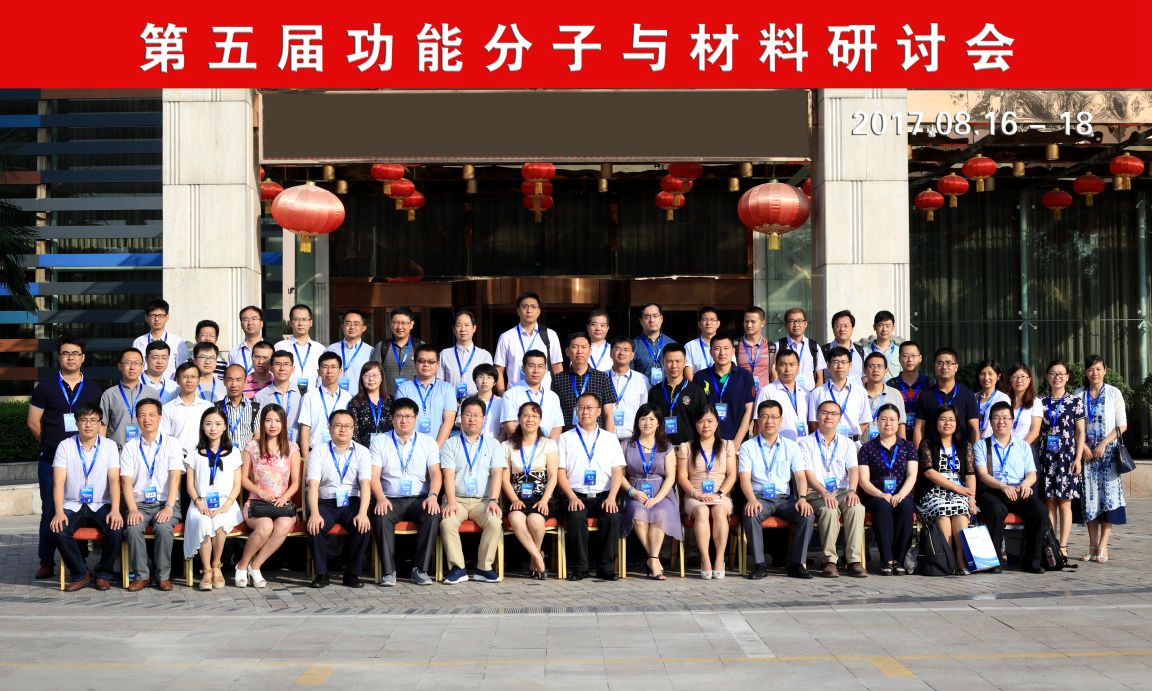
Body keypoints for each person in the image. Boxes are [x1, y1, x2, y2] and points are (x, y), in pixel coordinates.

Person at [28, 338, 105, 579]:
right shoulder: (45, 387)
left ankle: (78, 560)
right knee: (50, 510)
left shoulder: (93, 389)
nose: (70, 357)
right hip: (51, 460)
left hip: (84, 463)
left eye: (75, 353)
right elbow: (33, 421)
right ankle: (46, 561)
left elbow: (99, 423)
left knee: (80, 507)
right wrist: (53, 444)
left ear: (83, 357)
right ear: (59, 357)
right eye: (65, 353)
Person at [738, 400, 815, 580]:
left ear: (781, 420)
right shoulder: (748, 446)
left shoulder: (791, 446)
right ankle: (759, 565)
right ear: (757, 420)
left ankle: (796, 564)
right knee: (751, 514)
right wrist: (751, 500)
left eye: (774, 417)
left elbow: (800, 476)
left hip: (784, 499)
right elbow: (744, 478)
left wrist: (802, 498)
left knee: (807, 515)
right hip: (759, 498)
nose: (769, 421)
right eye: (764, 416)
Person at [369, 398, 443, 586]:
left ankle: (420, 570)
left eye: (408, 416)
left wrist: (433, 496)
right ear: (392, 418)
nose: (403, 420)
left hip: (420, 499)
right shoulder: (380, 441)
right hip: (390, 499)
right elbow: (373, 475)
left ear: (415, 418)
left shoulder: (428, 442)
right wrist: (380, 498)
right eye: (399, 416)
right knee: (381, 515)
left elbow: (435, 473)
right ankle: (389, 571)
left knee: (432, 513)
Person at [50, 403, 123, 591]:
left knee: (116, 529)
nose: (88, 424)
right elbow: (58, 482)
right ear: (77, 423)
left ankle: (103, 574)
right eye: (84, 420)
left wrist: (115, 510)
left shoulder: (109, 446)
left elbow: (114, 481)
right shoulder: (65, 446)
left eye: (93, 420)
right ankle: (80, 573)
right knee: (58, 528)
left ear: (100, 423)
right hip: (73, 503)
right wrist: (59, 512)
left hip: (100, 503)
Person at [557, 393, 626, 581]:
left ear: (598, 411)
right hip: (575, 495)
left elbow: (617, 471)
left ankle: (606, 567)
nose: (584, 412)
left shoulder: (610, 438)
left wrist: (612, 497)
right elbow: (560, 472)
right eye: (580, 408)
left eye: (589, 408)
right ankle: (580, 567)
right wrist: (572, 497)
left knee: (612, 517)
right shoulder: (565, 438)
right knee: (576, 516)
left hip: (604, 495)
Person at [974, 402, 1048, 574]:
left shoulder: (1023, 446)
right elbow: (983, 475)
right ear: (990, 421)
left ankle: (1032, 562)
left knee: (1040, 510)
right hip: (993, 489)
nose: (1001, 422)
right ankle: (993, 562)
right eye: (996, 418)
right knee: (996, 510)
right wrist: (1002, 486)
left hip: (1018, 490)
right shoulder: (981, 445)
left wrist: (1025, 485)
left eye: (1006, 418)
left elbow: (1032, 473)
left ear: (1012, 422)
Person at [120, 398, 184, 591]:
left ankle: (163, 576)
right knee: (132, 528)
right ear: (137, 419)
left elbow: (175, 476)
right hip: (139, 504)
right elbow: (126, 481)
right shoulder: (130, 446)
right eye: (142, 415)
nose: (146, 419)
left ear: (159, 417)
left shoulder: (172, 443)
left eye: (151, 415)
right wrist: (132, 509)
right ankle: (142, 576)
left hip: (166, 502)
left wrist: (169, 507)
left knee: (163, 528)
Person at [305, 409, 374, 588]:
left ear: (353, 429)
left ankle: (352, 574)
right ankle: (321, 574)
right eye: (338, 425)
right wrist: (314, 513)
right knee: (315, 526)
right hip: (326, 502)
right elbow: (313, 485)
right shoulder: (318, 451)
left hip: (352, 501)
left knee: (363, 527)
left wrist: (363, 513)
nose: (342, 429)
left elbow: (366, 484)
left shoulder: (363, 452)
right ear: (329, 428)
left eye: (347, 426)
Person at [235, 404, 301, 588]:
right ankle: (242, 565)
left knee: (284, 524)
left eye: (277, 421)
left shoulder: (292, 447)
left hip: (281, 503)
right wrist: (260, 492)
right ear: (262, 422)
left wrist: (285, 497)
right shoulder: (252, 446)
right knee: (265, 526)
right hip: (257, 503)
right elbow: (243, 478)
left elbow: (296, 482)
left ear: (283, 423)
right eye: (268, 420)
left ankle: (255, 566)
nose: (273, 425)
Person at [439, 397, 504, 584]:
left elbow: (497, 474)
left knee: (494, 522)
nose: (472, 419)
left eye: (476, 415)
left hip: (483, 501)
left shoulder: (493, 444)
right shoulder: (450, 444)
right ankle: (458, 568)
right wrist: (451, 502)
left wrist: (494, 500)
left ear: (483, 419)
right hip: (457, 499)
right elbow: (448, 476)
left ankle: (483, 568)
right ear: (461, 417)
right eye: (468, 414)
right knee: (447, 522)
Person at [799, 400, 866, 578]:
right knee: (829, 510)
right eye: (824, 412)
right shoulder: (806, 443)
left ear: (839, 418)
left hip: (843, 491)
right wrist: (824, 492)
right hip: (816, 492)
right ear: (817, 416)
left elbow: (853, 470)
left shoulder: (847, 443)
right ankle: (829, 561)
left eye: (834, 413)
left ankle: (853, 560)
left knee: (856, 508)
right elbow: (808, 474)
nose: (829, 417)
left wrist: (852, 491)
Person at [183, 408, 244, 591]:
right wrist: (199, 503)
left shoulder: (234, 452)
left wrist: (226, 506)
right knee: (202, 522)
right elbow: (190, 485)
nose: (213, 428)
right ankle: (207, 570)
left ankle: (216, 565)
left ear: (225, 427)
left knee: (219, 522)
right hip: (200, 503)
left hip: (226, 503)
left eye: (218, 424)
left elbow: (237, 485)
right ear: (202, 426)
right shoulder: (194, 453)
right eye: (208, 424)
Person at [1075, 354, 1127, 563]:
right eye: (1090, 369)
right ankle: (1092, 546)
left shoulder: (1114, 393)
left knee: (1108, 500)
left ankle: (1103, 547)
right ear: (1086, 372)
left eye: (1098, 369)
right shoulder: (1079, 394)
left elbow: (1122, 425)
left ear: (1105, 370)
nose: (1094, 373)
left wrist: (1103, 443)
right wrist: (1083, 447)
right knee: (1090, 501)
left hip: (1108, 456)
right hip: (1086, 456)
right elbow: (1074, 425)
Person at [620, 404, 681, 580]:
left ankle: (651, 560)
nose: (647, 423)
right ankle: (654, 559)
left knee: (660, 513)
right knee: (638, 513)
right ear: (637, 422)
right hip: (635, 492)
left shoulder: (667, 447)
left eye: (652, 419)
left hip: (662, 493)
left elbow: (670, 477)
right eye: (643, 419)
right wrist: (632, 492)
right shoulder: (626, 445)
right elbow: (619, 475)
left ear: (659, 423)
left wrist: (657, 498)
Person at [856, 404, 918, 575]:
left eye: (892, 419)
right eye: (883, 419)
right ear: (877, 422)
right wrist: (882, 494)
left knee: (906, 506)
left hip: (902, 493)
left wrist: (901, 494)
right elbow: (864, 480)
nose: (888, 423)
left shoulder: (908, 446)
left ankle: (900, 559)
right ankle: (886, 559)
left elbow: (912, 475)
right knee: (882, 506)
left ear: (898, 422)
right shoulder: (867, 448)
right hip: (875, 494)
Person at [501, 401, 560, 579]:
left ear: (540, 420)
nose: (530, 419)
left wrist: (544, 500)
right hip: (517, 497)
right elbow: (504, 478)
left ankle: (535, 558)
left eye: (534, 416)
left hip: (542, 497)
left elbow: (553, 476)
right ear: (519, 419)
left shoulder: (548, 444)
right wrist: (514, 499)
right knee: (515, 518)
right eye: (526, 415)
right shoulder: (507, 445)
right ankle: (538, 557)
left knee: (535, 521)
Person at [915, 405, 977, 573]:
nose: (947, 423)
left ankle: (961, 558)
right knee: (942, 509)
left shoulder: (965, 445)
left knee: (961, 509)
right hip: (932, 492)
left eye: (951, 419)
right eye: (943, 419)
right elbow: (929, 472)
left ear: (957, 423)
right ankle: (946, 559)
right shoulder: (927, 443)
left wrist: (971, 499)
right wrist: (957, 488)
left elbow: (970, 474)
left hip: (959, 493)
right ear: (936, 422)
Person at [677, 405, 736, 579]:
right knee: (702, 511)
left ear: (717, 423)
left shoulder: (727, 445)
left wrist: (719, 493)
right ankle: (705, 559)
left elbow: (732, 475)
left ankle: (719, 559)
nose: (705, 425)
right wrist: (696, 494)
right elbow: (682, 477)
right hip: (695, 495)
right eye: (701, 421)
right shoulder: (686, 447)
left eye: (710, 421)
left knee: (719, 510)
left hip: (720, 494)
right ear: (695, 424)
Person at [1038, 359, 1086, 561]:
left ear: (1067, 377)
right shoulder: (1040, 402)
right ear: (1047, 376)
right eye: (1053, 373)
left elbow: (1080, 432)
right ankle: (1051, 543)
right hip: (1046, 456)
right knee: (1049, 502)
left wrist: (1078, 459)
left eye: (1061, 373)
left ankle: (1064, 546)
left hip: (1067, 456)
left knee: (1065, 503)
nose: (1057, 377)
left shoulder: (1075, 401)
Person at [494, 291, 563, 394]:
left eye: (533, 307)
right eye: (525, 306)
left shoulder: (550, 335)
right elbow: (499, 369)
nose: (529, 310)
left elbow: (557, 367)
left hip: (543, 395)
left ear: (539, 311)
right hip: (515, 395)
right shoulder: (506, 337)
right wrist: (503, 395)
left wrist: (558, 395)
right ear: (518, 310)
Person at [692, 334, 755, 443]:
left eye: (726, 348)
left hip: (736, 441)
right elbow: (696, 411)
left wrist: (736, 442)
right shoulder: (700, 377)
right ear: (711, 352)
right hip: (707, 442)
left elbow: (749, 409)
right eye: (717, 349)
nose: (722, 353)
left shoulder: (745, 376)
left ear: (733, 351)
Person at [912, 347, 980, 447]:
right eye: (940, 363)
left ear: (956, 367)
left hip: (960, 452)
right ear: (934, 366)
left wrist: (974, 454)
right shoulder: (926, 395)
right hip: (931, 452)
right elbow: (919, 428)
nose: (944, 367)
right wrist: (919, 454)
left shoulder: (968, 395)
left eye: (948, 363)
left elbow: (974, 429)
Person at [552, 332, 617, 433]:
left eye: (583, 347)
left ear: (590, 351)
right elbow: (554, 414)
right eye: (575, 347)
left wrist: (609, 438)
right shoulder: (558, 379)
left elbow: (608, 414)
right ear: (567, 351)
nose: (579, 351)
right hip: (568, 436)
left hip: (596, 436)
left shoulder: (602, 378)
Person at [396, 345, 458, 447]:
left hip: (438, 447)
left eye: (431, 362)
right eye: (421, 361)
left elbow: (449, 421)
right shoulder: (404, 388)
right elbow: (401, 419)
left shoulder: (447, 388)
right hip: (409, 447)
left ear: (437, 364)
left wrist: (435, 449)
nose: (426, 365)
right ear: (415, 363)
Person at [647, 343, 706, 446]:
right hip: (661, 448)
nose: (674, 366)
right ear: (663, 363)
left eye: (678, 361)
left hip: (689, 447)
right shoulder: (655, 392)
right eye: (669, 361)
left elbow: (703, 421)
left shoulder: (696, 391)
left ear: (684, 363)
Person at [806, 346, 870, 440]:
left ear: (850, 365)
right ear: (828, 365)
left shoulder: (860, 391)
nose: (840, 366)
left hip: (853, 442)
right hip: (826, 442)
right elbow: (813, 422)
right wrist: (826, 439)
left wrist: (851, 438)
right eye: (835, 362)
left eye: (844, 362)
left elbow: (864, 420)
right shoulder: (816, 393)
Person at [99, 348, 158, 448]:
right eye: (127, 363)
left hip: (145, 450)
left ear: (142, 366)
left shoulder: (151, 393)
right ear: (119, 366)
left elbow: (158, 423)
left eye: (136, 363)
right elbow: (102, 425)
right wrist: (102, 450)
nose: (132, 367)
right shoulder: (109, 394)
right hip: (118, 450)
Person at [298, 352, 352, 458]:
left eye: (333, 367)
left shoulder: (348, 398)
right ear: (318, 371)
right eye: (325, 367)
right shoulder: (309, 397)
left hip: (341, 454)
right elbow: (304, 430)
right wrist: (306, 459)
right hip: (314, 454)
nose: (329, 371)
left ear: (340, 371)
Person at [501, 350, 564, 440]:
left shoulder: (553, 397)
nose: (536, 371)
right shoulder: (510, 394)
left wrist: (545, 445)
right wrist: (528, 443)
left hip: (546, 446)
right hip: (519, 445)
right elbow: (509, 425)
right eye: (531, 366)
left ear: (545, 370)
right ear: (523, 369)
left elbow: (557, 427)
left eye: (540, 366)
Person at [753, 349, 809, 442]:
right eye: (783, 365)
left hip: (803, 445)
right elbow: (758, 425)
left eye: (792, 364)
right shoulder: (766, 392)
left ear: (798, 367)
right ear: (776, 367)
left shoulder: (806, 393)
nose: (787, 369)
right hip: (778, 446)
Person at [161, 362, 215, 456]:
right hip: (177, 457)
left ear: (198, 380)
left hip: (203, 457)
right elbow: (165, 438)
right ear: (177, 380)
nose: (189, 380)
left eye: (193, 377)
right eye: (185, 377)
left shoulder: (208, 407)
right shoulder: (167, 408)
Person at [438, 310, 493, 399]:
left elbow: (489, 383)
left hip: (476, 402)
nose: (463, 329)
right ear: (453, 329)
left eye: (467, 325)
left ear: (474, 328)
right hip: (451, 402)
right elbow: (439, 382)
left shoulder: (484, 355)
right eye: (459, 325)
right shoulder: (444, 354)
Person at [370, 307, 423, 398]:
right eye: (395, 322)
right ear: (391, 324)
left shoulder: (420, 347)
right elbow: (372, 374)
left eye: (403, 323)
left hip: (414, 398)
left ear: (411, 324)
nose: (399, 327)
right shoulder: (382, 346)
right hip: (387, 399)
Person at [253, 350, 303, 443]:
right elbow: (257, 426)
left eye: (286, 364)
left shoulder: (302, 394)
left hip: (296, 446)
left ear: (293, 369)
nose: (282, 368)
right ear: (271, 368)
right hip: (269, 447)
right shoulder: (260, 397)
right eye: (278, 364)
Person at [132, 299, 188, 380]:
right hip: (144, 386)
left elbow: (184, 369)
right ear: (146, 318)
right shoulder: (138, 342)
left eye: (161, 315)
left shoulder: (177, 342)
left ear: (167, 317)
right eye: (153, 315)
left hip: (169, 386)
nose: (157, 319)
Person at [274, 304, 324, 392]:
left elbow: (323, 376)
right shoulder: (280, 346)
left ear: (310, 322)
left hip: (313, 396)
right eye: (296, 319)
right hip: (286, 395)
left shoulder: (320, 349)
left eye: (304, 319)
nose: (300, 323)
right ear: (290, 323)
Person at [608, 337, 650, 442]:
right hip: (606, 438)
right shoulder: (601, 377)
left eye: (626, 350)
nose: (621, 353)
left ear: (632, 355)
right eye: (617, 349)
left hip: (632, 439)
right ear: (611, 353)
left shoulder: (641, 380)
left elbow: (644, 410)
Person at [774, 307, 825, 391]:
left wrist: (816, 394)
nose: (796, 324)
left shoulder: (814, 346)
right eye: (792, 321)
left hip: (809, 393)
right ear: (786, 325)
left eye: (799, 321)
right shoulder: (778, 346)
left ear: (805, 324)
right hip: (785, 393)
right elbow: (774, 373)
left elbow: (819, 376)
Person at [862, 352, 908, 441]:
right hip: (861, 446)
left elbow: (900, 426)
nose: (875, 370)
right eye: (871, 366)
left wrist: (902, 447)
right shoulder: (857, 394)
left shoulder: (895, 394)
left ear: (886, 370)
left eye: (879, 366)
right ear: (864, 370)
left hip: (888, 447)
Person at [347, 361, 393, 447]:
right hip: (364, 451)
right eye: (367, 375)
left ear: (381, 378)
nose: (371, 379)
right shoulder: (355, 403)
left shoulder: (391, 401)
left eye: (375, 375)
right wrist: (362, 451)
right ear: (361, 378)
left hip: (389, 449)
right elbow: (353, 432)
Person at [327, 309, 372, 396]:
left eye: (356, 324)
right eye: (348, 323)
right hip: (334, 397)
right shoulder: (331, 349)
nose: (352, 327)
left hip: (360, 399)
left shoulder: (370, 351)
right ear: (342, 326)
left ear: (363, 328)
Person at [888, 341, 930, 433]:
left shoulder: (929, 383)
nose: (910, 359)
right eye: (905, 356)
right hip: (898, 434)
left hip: (924, 434)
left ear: (920, 358)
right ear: (899, 359)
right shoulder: (891, 384)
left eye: (913, 356)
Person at [632, 302, 677, 386]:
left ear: (661, 319)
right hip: (642, 391)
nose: (651, 320)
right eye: (647, 316)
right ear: (641, 321)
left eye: (655, 316)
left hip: (666, 392)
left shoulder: (672, 344)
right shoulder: (632, 345)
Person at [216, 364, 260, 450]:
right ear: (224, 381)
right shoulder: (216, 408)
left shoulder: (255, 408)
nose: (234, 384)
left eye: (238, 380)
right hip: (223, 455)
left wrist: (247, 452)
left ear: (245, 381)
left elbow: (257, 435)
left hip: (247, 455)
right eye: (230, 379)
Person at [736, 306, 773, 394]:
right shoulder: (735, 345)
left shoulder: (771, 347)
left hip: (764, 395)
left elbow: (774, 375)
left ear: (762, 323)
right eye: (746, 321)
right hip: (742, 394)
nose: (749, 325)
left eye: (753, 322)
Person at [821, 310, 865, 382]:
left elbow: (864, 376)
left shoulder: (861, 351)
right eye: (838, 326)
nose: (842, 329)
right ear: (833, 329)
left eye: (846, 326)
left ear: (852, 328)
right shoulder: (823, 351)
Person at [1005, 363, 1043, 444]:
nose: (1019, 380)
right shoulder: (1003, 400)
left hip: (1024, 447)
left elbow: (1035, 431)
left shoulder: (1036, 402)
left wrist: (1020, 449)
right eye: (1015, 377)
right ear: (1010, 379)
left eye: (1023, 377)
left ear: (1029, 380)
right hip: (1002, 447)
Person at [974, 359, 1011, 439]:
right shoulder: (973, 397)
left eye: (990, 374)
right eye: (982, 374)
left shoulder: (1002, 398)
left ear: (998, 376)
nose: (986, 378)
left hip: (993, 442)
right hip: (973, 442)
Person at [683, 306, 720, 381]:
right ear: (699, 324)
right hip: (698, 386)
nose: (708, 323)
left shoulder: (726, 345)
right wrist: (698, 387)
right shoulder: (690, 346)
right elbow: (689, 376)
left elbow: (730, 370)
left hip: (721, 386)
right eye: (705, 319)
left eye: (712, 319)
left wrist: (720, 384)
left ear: (718, 323)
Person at [227, 305, 265, 373]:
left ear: (261, 323)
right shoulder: (234, 352)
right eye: (245, 319)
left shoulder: (271, 350)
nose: (250, 323)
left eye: (254, 319)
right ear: (241, 325)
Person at [866, 310, 903, 380]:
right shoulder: (865, 351)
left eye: (888, 326)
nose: (884, 329)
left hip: (894, 387)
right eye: (880, 325)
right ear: (874, 327)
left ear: (893, 328)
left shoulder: (899, 352)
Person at [472, 364, 505, 440]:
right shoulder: (468, 402)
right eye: (480, 377)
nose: (484, 381)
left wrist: (497, 445)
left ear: (495, 382)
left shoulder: (501, 403)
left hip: (494, 444)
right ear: (475, 381)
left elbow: (504, 430)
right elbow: (463, 427)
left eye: (489, 377)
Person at [586, 309, 613, 373]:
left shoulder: (613, 349)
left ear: (607, 328)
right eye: (594, 324)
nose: (598, 328)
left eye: (602, 325)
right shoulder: (580, 350)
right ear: (588, 327)